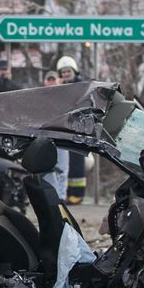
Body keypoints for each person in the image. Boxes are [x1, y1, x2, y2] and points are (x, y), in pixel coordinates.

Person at [56, 56, 86, 203]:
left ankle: (77, 195)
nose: (66, 74)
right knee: (66, 164)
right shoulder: (61, 86)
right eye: (63, 72)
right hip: (66, 128)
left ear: (74, 71)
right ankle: (68, 193)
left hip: (77, 128)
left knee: (77, 162)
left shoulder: (80, 85)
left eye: (68, 71)